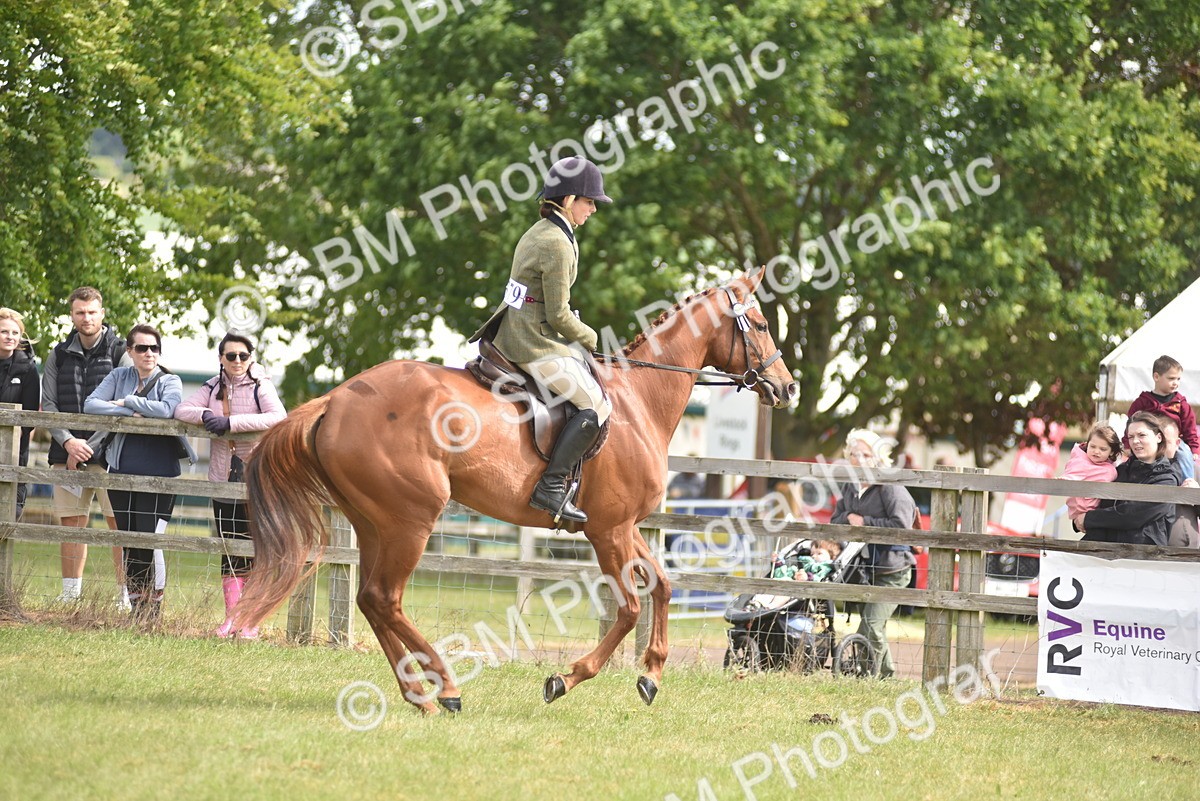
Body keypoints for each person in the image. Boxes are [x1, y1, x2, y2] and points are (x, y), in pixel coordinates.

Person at [469, 156, 614, 523]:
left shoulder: (539, 231)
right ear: (568, 200)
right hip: (531, 342)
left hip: (516, 330)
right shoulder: (557, 244)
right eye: (589, 201)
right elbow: (558, 316)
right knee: (596, 405)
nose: (593, 208)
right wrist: (592, 336)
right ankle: (550, 487)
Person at [175, 331, 286, 638]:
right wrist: (208, 414)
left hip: (257, 481)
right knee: (229, 548)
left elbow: (278, 417)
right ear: (221, 359)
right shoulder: (212, 386)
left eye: (243, 356)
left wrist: (232, 423)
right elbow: (181, 410)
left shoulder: (261, 386)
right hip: (222, 479)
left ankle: (250, 622)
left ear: (251, 358)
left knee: (253, 549)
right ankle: (231, 620)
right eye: (230, 356)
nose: (237, 361)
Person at [85, 325, 195, 623]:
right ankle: (137, 610)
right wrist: (124, 412)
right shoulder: (119, 376)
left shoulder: (170, 379)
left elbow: (168, 409)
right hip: (120, 469)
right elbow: (91, 405)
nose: (149, 353)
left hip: (159, 472)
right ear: (130, 352)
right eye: (142, 348)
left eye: (154, 348)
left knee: (151, 540)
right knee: (129, 540)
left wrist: (128, 402)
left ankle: (154, 610)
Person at [41, 286, 130, 605]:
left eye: (92, 312)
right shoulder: (58, 353)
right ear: (72, 315)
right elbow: (48, 404)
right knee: (71, 524)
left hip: (111, 454)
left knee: (118, 525)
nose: (86, 318)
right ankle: (70, 596)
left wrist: (88, 445)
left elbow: (125, 405)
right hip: (66, 453)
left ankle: (124, 598)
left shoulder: (121, 351)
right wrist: (68, 442)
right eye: (80, 312)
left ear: (102, 313)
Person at [831, 429, 916, 679]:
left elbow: (902, 525)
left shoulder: (889, 486)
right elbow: (836, 519)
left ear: (877, 457)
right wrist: (849, 517)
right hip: (866, 570)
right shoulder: (850, 486)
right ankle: (880, 674)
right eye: (854, 454)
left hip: (894, 570)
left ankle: (883, 676)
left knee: (871, 626)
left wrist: (864, 521)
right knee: (870, 626)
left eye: (866, 454)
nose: (860, 459)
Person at [1076, 412, 1179, 546]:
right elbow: (1100, 503)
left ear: (1158, 437)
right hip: (1106, 553)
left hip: (1143, 556)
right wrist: (1078, 517)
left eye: (1141, 435)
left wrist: (1089, 519)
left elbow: (1133, 514)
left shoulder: (1167, 479)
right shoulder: (1119, 470)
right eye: (1131, 437)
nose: (1135, 441)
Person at [0, 309, 40, 520]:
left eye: (15, 333)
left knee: (8, 517)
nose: (10, 337)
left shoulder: (28, 369)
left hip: (14, 453)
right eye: (4, 331)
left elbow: (29, 417)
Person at [1123, 355, 1199, 452]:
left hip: (1174, 445)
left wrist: (1194, 449)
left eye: (1178, 379)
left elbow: (1190, 428)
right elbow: (1130, 425)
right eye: (1171, 378)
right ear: (1156, 377)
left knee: (1184, 457)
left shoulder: (1181, 404)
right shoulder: (1143, 402)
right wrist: (1127, 445)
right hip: (1147, 444)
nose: (1176, 383)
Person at [1061, 423, 1121, 522]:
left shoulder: (1110, 470)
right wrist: (1068, 479)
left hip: (1094, 513)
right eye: (1093, 446)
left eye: (1103, 449)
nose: (1096, 451)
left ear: (1111, 452)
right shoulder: (1080, 459)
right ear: (1087, 444)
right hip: (1076, 508)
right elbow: (1073, 471)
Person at [1159, 418, 1199, 547]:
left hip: (1190, 551)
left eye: (1167, 443)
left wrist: (1197, 495)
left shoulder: (1194, 471)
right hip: (1154, 549)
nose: (1162, 449)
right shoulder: (1144, 471)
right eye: (1160, 443)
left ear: (1177, 443)